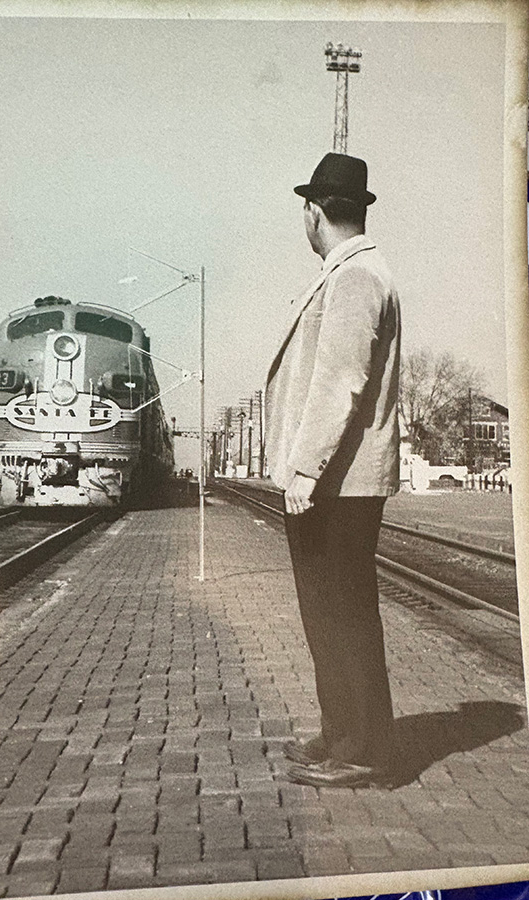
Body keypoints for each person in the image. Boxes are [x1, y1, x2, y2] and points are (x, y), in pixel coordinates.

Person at [264, 152, 401, 788]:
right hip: (335, 479)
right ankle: (342, 730)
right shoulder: (349, 272)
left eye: (305, 211)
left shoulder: (356, 277)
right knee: (327, 611)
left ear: (316, 213)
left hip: (338, 481)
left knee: (342, 611)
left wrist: (304, 471)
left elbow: (339, 381)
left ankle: (365, 752)